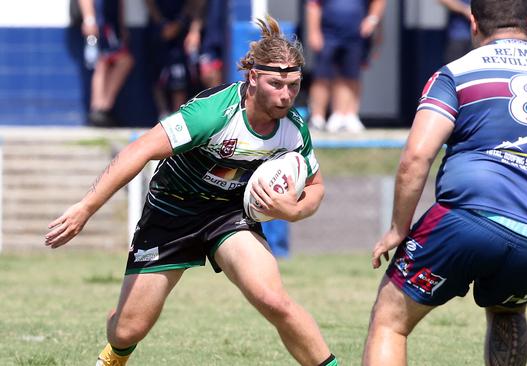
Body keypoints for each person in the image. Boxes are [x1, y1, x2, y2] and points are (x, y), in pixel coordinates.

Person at [45, 16, 338, 366]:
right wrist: (85, 208)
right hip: (172, 212)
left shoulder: (293, 128)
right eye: (277, 84)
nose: (287, 95)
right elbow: (138, 151)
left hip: (229, 216)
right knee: (127, 330)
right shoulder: (212, 114)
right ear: (253, 78)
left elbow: (316, 187)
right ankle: (113, 353)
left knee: (273, 300)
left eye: (294, 85)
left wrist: (294, 211)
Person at [362, 0, 527, 364]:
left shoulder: (456, 73)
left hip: (467, 219)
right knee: (508, 311)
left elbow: (416, 157)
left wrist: (399, 228)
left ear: (474, 22)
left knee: (390, 322)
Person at [306, 0, 386, 133]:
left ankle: (343, 116)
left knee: (350, 75)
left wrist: (372, 20)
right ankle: (317, 118)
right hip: (327, 34)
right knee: (322, 76)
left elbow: (379, 2)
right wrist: (313, 32)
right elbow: (313, 5)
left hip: (356, 35)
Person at [78, 0, 134, 127]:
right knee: (103, 62)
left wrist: (121, 25)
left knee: (112, 62)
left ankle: (102, 108)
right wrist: (89, 19)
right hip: (100, 22)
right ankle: (100, 108)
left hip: (111, 22)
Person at [145, 0, 202, 117]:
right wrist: (161, 23)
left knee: (179, 77)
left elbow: (195, 4)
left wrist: (180, 22)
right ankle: (163, 114)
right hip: (158, 29)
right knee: (157, 74)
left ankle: (177, 116)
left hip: (182, 31)